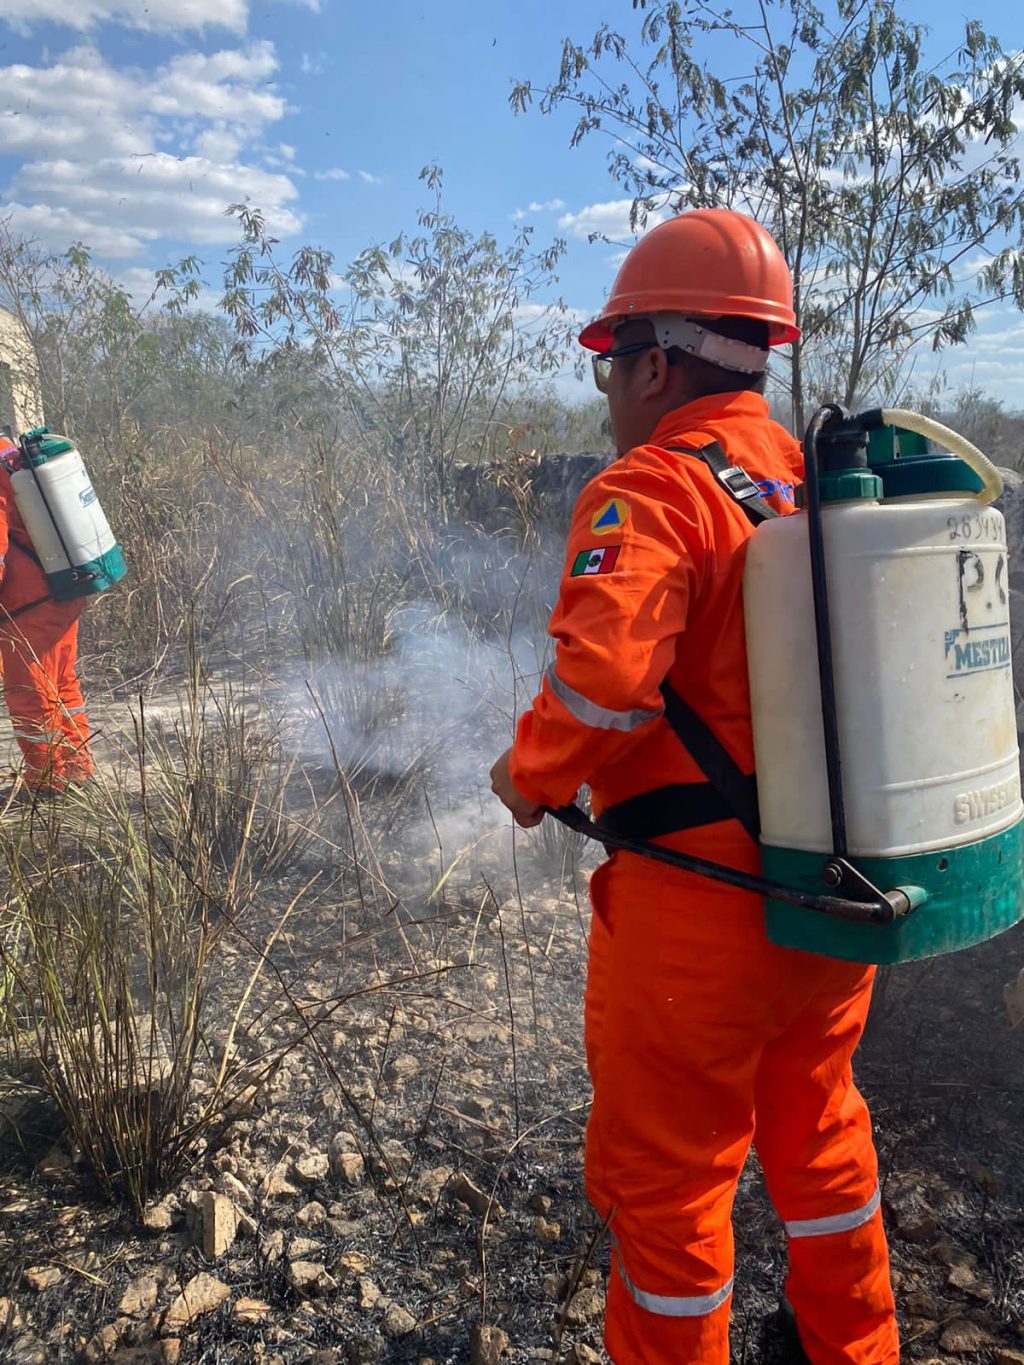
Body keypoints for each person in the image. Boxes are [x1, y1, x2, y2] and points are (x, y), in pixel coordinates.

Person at [490, 209, 898, 1365]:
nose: (608, 392)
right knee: (818, 1133)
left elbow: (606, 685)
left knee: (667, 1192)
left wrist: (526, 776)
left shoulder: (656, 487)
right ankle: (850, 1350)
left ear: (656, 363)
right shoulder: (819, 483)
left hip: (694, 920)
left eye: (611, 362)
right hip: (824, 894)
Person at [0, 432, 92, 795]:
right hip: (64, 586)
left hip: (29, 605)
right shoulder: (9, 451)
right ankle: (77, 772)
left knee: (29, 692)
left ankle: (50, 784)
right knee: (60, 683)